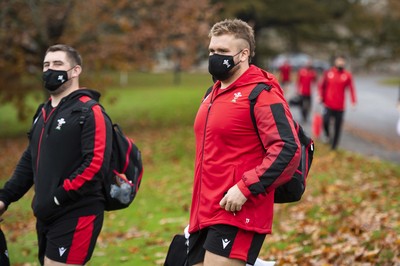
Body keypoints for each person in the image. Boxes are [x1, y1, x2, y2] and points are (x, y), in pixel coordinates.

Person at [188, 19, 301, 266]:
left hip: (237, 210)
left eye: (223, 52)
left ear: (244, 54)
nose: (215, 57)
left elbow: (288, 148)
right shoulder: (212, 93)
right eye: (212, 51)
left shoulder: (262, 94)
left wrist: (245, 188)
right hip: (204, 210)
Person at [0, 44, 112, 265]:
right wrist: (4, 198)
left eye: (58, 64)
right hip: (45, 215)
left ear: (76, 70)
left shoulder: (91, 112)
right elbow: (30, 159)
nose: (50, 70)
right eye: (46, 65)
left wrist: (57, 197)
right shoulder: (43, 112)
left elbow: (96, 165)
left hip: (77, 213)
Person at [318, 55, 357, 150]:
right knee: (325, 121)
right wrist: (320, 96)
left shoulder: (347, 75)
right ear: (335, 62)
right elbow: (322, 86)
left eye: (342, 61)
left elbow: (351, 89)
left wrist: (353, 101)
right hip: (328, 104)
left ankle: (334, 146)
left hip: (340, 107)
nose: (341, 63)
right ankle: (327, 136)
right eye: (339, 61)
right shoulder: (328, 73)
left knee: (337, 127)